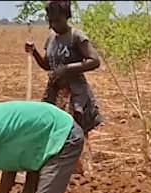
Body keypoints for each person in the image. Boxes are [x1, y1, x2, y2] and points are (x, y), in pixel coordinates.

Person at [26, 0, 102, 176]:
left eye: (57, 21)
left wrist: (67, 68)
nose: (54, 25)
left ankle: (83, 174)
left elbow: (94, 61)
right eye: (51, 21)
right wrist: (34, 52)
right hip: (55, 93)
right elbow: (47, 65)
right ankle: (62, 172)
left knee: (75, 132)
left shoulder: (76, 36)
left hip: (74, 94)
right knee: (56, 132)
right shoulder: (51, 38)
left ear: (66, 17)